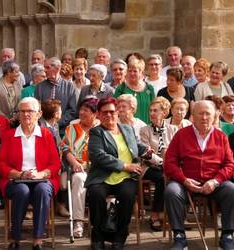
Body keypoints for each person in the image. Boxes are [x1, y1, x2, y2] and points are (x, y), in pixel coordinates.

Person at [164, 100, 234, 250]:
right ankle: (179, 237)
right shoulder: (181, 135)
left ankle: (227, 235)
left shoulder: (221, 137)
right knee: (172, 191)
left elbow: (230, 164)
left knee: (231, 189)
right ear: (192, 116)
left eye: (208, 114)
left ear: (215, 115)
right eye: (200, 113)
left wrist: (216, 181)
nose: (204, 117)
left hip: (214, 183)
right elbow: (169, 163)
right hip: (186, 182)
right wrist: (183, 179)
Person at [85, 97, 150, 250]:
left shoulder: (127, 128)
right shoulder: (96, 132)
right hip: (102, 176)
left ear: (117, 113)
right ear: (98, 115)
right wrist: (125, 165)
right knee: (96, 194)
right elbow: (98, 155)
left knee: (127, 195)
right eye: (105, 112)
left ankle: (120, 236)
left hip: (126, 178)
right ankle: (98, 237)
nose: (109, 115)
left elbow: (136, 145)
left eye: (112, 112)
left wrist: (146, 151)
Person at [0, 97, 61, 250]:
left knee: (42, 190)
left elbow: (56, 164)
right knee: (22, 191)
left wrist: (41, 174)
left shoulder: (46, 134)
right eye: (22, 111)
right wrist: (19, 174)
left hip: (42, 179)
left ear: (39, 114)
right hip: (16, 180)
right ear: (18, 114)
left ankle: (38, 240)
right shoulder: (9, 135)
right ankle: (15, 238)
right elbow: (0, 164)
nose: (26, 114)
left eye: (30, 111)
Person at [60, 96, 100, 238]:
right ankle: (78, 221)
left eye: (86, 110)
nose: (82, 113)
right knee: (78, 179)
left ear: (95, 114)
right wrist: (75, 163)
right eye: (81, 109)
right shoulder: (72, 127)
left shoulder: (102, 129)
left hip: (99, 169)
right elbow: (65, 148)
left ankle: (102, 222)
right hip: (78, 168)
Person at [139, 97, 178, 231]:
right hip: (149, 166)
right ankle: (155, 215)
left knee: (178, 178)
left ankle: (177, 215)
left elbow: (177, 149)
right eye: (150, 111)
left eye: (155, 111)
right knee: (163, 178)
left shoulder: (173, 129)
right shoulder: (145, 130)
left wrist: (170, 163)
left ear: (164, 113)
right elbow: (146, 153)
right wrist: (163, 162)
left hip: (170, 165)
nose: (152, 113)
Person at [34, 57, 77, 133]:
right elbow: (36, 108)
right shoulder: (39, 87)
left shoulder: (69, 87)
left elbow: (72, 111)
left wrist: (57, 123)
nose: (45, 70)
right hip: (43, 130)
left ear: (57, 69)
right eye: (44, 67)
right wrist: (45, 124)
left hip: (63, 131)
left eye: (47, 67)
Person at [114, 58, 155, 124]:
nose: (132, 73)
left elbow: (154, 108)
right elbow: (116, 109)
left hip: (147, 127)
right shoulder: (121, 88)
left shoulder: (149, 88)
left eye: (135, 71)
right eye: (130, 71)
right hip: (126, 126)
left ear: (141, 72)